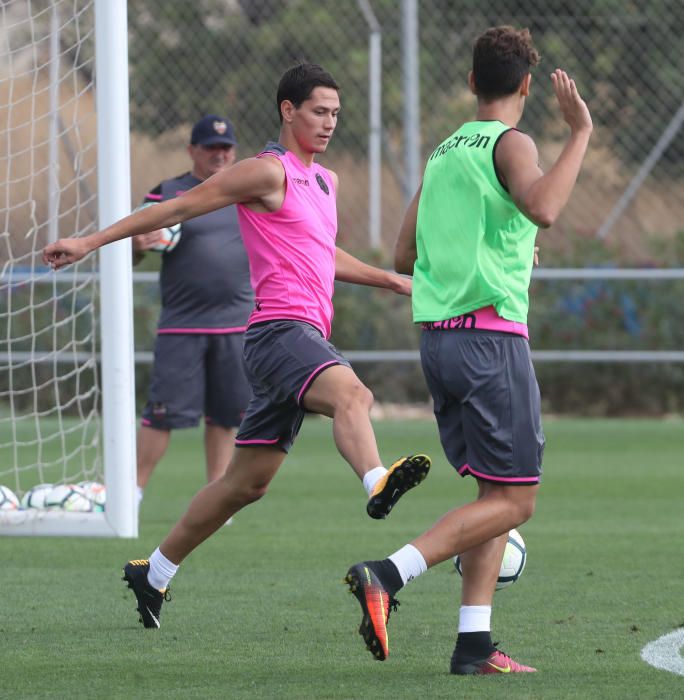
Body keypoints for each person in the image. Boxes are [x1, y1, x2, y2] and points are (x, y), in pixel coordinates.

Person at [43, 63, 431, 630]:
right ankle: (377, 482)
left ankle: (152, 572)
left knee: (244, 484)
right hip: (279, 333)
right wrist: (89, 241)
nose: (329, 124)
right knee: (353, 393)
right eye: (319, 112)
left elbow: (323, 255)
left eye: (336, 114)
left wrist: (393, 279)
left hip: (300, 339)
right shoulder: (264, 173)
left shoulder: (325, 182)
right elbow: (176, 208)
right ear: (287, 110)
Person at [344, 26, 592, 675]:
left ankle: (474, 646)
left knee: (492, 496)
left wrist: (499, 239)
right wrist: (580, 135)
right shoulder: (514, 143)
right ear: (527, 86)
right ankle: (387, 575)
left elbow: (405, 255)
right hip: (490, 341)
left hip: (440, 344)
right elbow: (545, 207)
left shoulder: (445, 152)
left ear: (471, 83)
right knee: (516, 503)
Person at [133, 115, 252, 517]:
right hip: (182, 327)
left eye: (226, 149)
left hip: (236, 326)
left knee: (225, 417)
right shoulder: (169, 193)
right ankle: (132, 492)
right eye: (210, 148)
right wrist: (138, 244)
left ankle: (216, 499)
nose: (219, 155)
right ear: (192, 151)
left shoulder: (245, 192)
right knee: (160, 416)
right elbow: (133, 249)